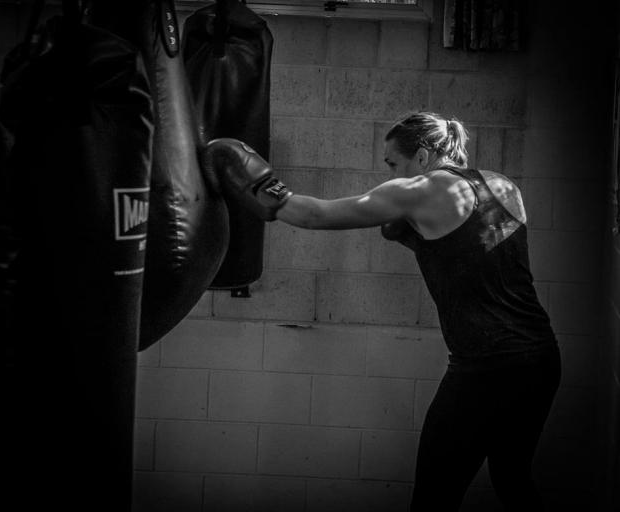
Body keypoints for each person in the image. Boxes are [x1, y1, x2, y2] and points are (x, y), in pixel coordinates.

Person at [201, 111, 561, 511]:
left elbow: (312, 214)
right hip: (540, 359)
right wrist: (422, 241)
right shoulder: (502, 184)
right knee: (513, 480)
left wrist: (256, 182)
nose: (391, 175)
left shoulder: (420, 189)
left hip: (485, 367)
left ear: (422, 156)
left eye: (393, 164)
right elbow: (477, 256)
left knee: (433, 498)